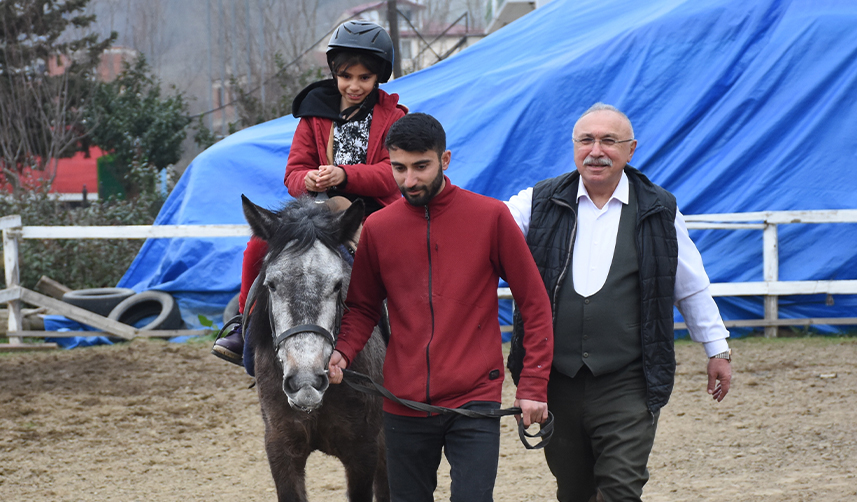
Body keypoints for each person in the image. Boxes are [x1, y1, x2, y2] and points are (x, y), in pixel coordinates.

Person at [504, 103, 733, 502]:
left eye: (609, 141)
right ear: (573, 147)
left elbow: (690, 284)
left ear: (631, 150)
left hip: (630, 378)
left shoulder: (660, 209)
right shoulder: (536, 202)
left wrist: (717, 349)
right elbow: (485, 232)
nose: (596, 150)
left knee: (621, 488)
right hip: (556, 378)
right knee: (574, 490)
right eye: (586, 140)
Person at [327, 113, 554, 502]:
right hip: (403, 401)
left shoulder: (491, 217)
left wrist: (532, 384)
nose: (409, 181)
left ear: (444, 160)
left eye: (421, 167)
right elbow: (363, 307)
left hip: (475, 400)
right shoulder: (378, 228)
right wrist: (342, 351)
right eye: (399, 168)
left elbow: (534, 302)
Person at [212, 20, 406, 367]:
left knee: (394, 262)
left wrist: (345, 175)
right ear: (335, 73)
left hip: (373, 211)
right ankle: (244, 322)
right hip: (317, 210)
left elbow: (391, 174)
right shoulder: (313, 114)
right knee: (258, 245)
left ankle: (406, 334)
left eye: (364, 78)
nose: (354, 85)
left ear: (379, 78)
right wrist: (309, 182)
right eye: (346, 76)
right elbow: (293, 172)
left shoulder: (393, 118)